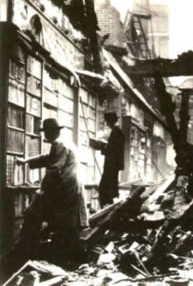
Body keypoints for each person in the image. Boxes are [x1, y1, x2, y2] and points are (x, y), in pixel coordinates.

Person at [14, 118, 85, 264]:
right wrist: (27, 161)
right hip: (69, 189)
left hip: (65, 190)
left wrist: (42, 189)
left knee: (33, 214)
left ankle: (23, 252)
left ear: (53, 131)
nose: (45, 136)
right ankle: (74, 258)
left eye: (46, 132)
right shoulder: (64, 142)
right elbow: (48, 158)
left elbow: (54, 169)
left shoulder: (59, 144)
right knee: (66, 224)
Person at [98, 111, 125, 208]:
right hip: (113, 166)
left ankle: (107, 211)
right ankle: (110, 209)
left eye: (107, 121)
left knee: (104, 190)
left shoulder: (117, 133)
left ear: (110, 121)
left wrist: (102, 148)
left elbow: (114, 151)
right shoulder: (117, 132)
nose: (106, 124)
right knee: (110, 189)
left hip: (111, 166)